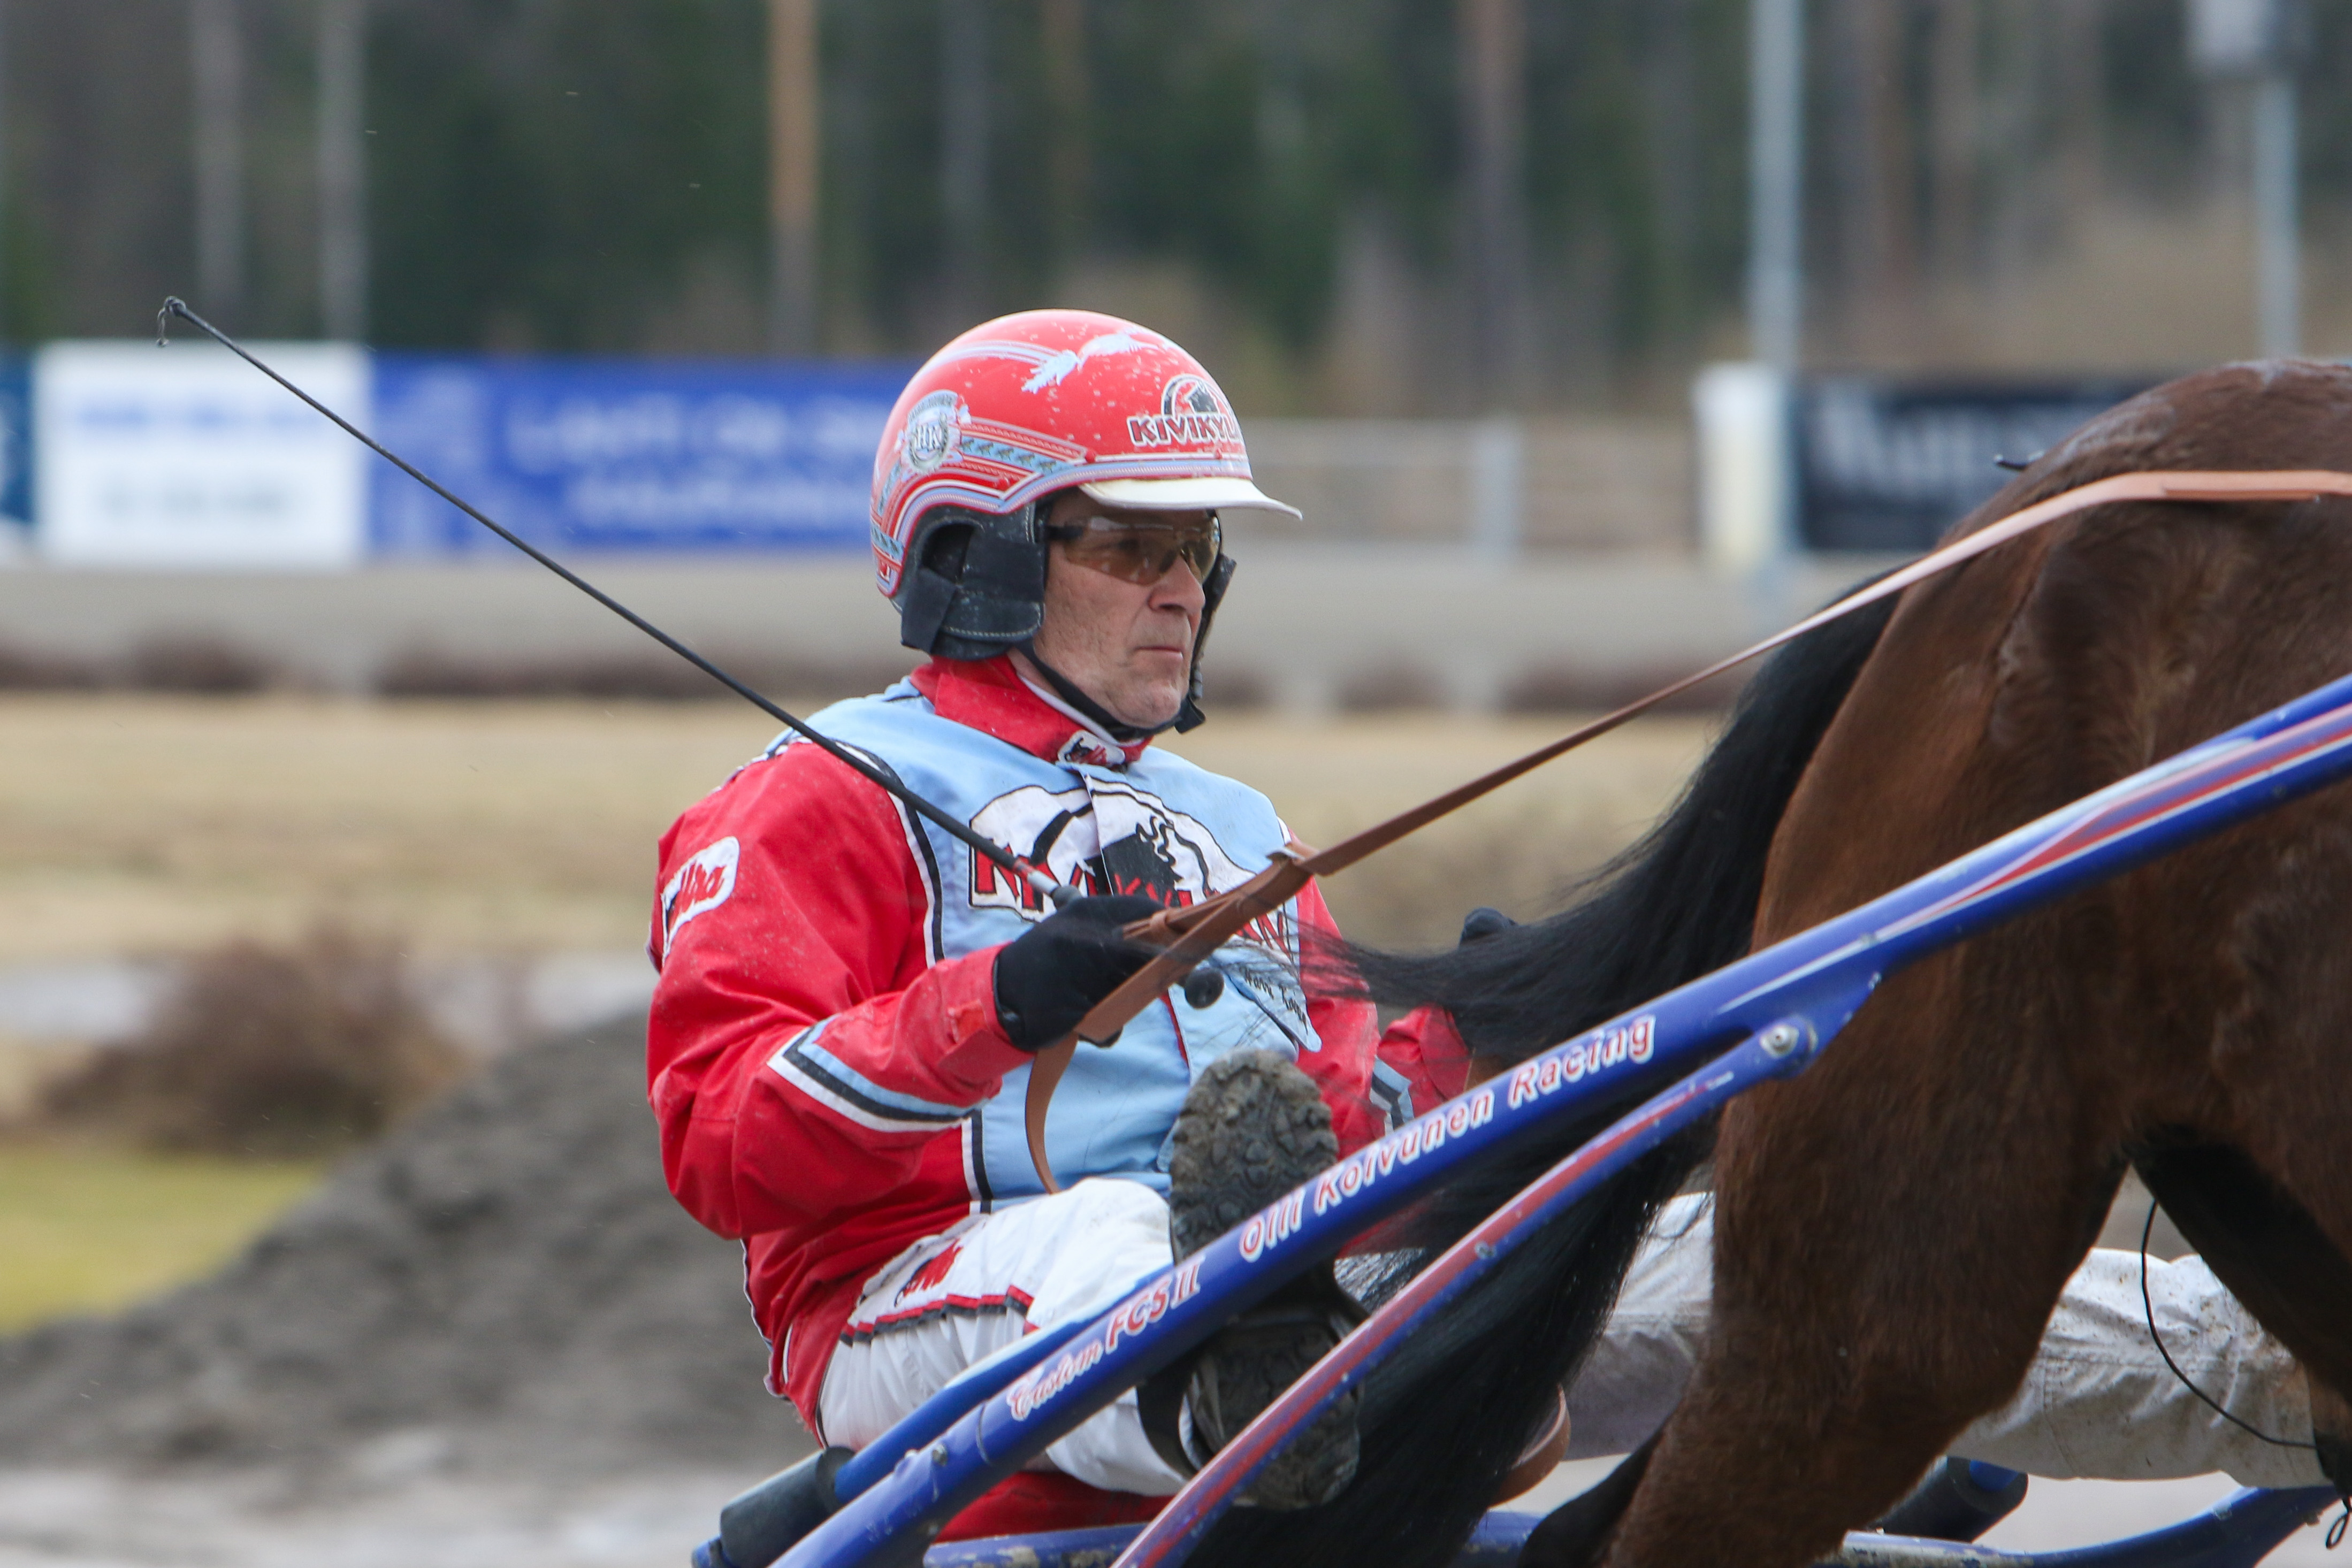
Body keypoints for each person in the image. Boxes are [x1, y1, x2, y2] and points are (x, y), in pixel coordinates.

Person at [648, 308, 2338, 1534]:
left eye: (1199, 549)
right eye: (1129, 543)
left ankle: (2254, 1373)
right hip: (930, 1291)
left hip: (1289, 1256)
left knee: (1735, 1253)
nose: (1182, 584)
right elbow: (723, 1140)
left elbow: (1331, 1095)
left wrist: (1465, 1061)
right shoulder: (820, 793)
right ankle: (1258, 1379)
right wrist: (994, 1001)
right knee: (1152, 1265)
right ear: (979, 555)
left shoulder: (1229, 827)